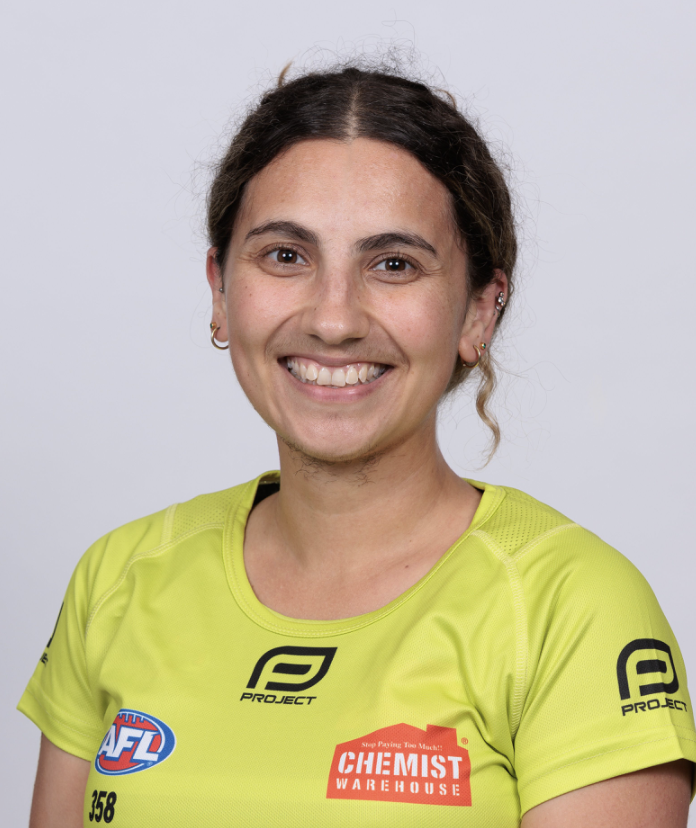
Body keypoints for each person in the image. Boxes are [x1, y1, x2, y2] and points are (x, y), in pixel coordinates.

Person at [19, 63, 695, 828]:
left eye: (393, 264)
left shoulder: (572, 608)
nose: (333, 319)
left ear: (480, 311)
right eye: (286, 255)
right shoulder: (119, 577)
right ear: (220, 291)